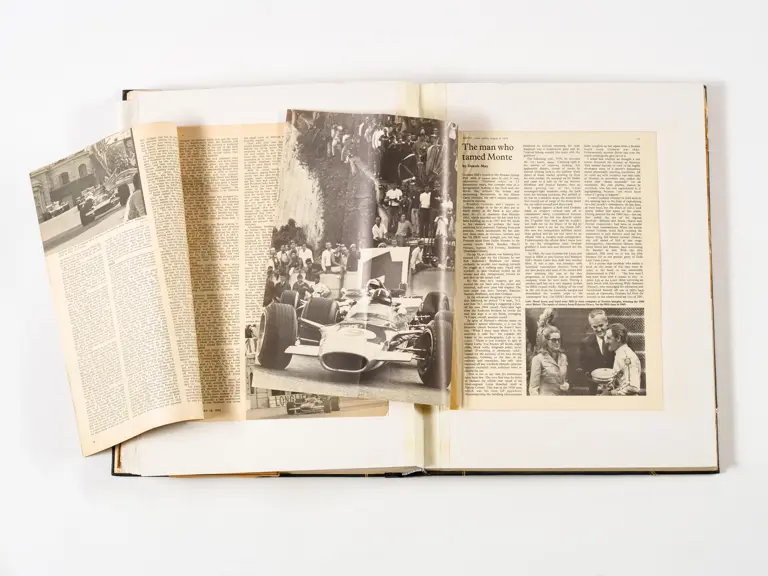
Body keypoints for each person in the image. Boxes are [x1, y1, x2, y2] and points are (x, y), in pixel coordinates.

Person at [577, 309, 616, 394]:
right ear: (591, 326)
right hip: (595, 390)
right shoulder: (585, 343)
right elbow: (583, 366)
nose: (598, 329)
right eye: (595, 327)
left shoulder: (618, 339)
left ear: (606, 322)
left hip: (616, 389)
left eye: (601, 325)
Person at [528, 325, 570, 396]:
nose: (557, 342)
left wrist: (566, 385)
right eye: (554, 340)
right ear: (545, 341)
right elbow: (533, 388)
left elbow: (563, 379)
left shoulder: (563, 357)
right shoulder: (538, 359)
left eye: (558, 340)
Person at [603, 323, 642, 396]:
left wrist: (611, 393)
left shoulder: (627, 357)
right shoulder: (619, 353)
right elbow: (621, 379)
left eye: (608, 338)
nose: (606, 341)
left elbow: (633, 387)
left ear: (618, 338)